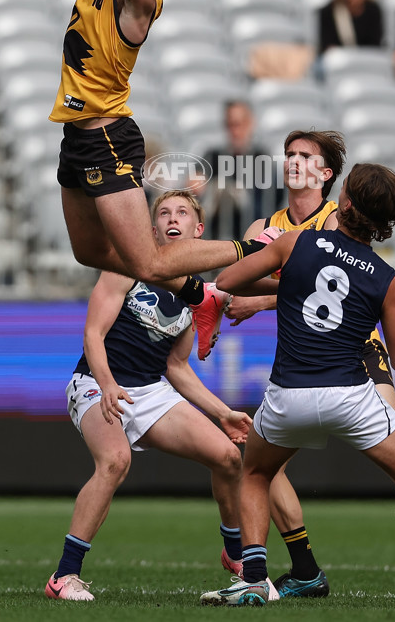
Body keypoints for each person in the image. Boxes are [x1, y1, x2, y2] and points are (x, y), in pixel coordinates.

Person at [201, 164, 395, 609]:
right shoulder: (387, 279)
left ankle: (254, 579)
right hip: (351, 397)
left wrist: (286, 280)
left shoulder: (296, 242)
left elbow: (228, 281)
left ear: (344, 203)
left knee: (255, 473)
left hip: (287, 395)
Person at [47, 0, 270, 302]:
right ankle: (200, 295)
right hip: (78, 133)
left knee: (147, 259)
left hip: (106, 133)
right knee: (90, 251)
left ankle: (252, 246)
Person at [224, 130, 395, 599]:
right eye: (289, 154)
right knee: (265, 468)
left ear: (328, 176)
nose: (294, 161)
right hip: (307, 355)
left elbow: (322, 286)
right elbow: (241, 286)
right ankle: (303, 566)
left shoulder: (339, 218)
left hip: (361, 348)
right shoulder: (263, 227)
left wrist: (259, 303)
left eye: (306, 155)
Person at [45, 189, 254, 602]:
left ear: (199, 229)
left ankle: (235, 557)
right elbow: (93, 334)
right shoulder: (128, 264)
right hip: (95, 382)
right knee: (115, 461)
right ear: (152, 227)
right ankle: (64, 577)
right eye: (162, 213)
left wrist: (222, 412)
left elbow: (176, 367)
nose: (171, 218)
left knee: (229, 457)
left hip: (149, 390)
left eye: (181, 212)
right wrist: (106, 385)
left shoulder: (197, 294)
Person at [202, 101, 273, 239]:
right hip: (215, 237)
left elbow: (266, 203)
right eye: (230, 125)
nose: (234, 131)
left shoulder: (261, 157)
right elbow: (195, 182)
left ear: (251, 124)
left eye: (239, 124)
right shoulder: (212, 155)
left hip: (249, 237)